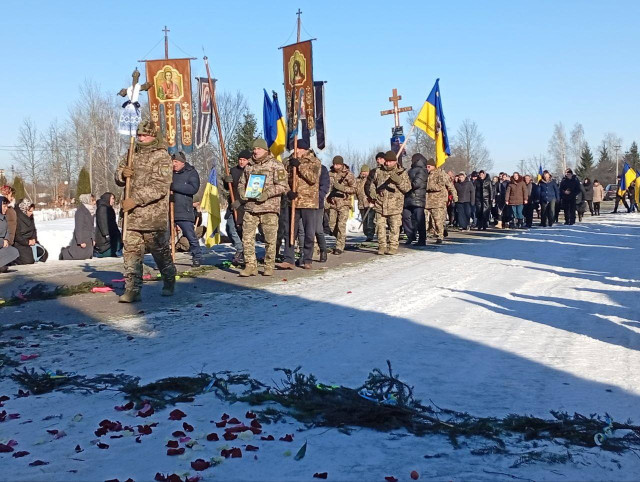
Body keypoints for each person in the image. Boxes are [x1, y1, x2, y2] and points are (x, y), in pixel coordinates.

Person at [115, 119, 176, 302]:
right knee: (131, 254)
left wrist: (136, 200)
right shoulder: (131, 153)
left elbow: (160, 186)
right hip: (131, 216)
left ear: (153, 136)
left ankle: (169, 278)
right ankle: (132, 289)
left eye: (144, 135)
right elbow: (118, 174)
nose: (141, 138)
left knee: (160, 253)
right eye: (139, 135)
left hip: (152, 217)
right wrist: (122, 174)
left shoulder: (161, 156)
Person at [238, 138, 288, 276]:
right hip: (251, 207)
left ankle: (269, 265)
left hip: (269, 208)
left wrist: (267, 194)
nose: (256, 151)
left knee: (270, 239)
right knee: (247, 238)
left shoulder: (276, 165)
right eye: (254, 149)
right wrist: (242, 192)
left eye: (258, 149)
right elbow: (242, 183)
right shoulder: (249, 166)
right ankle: (250, 265)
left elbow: (283, 186)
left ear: (265, 150)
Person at [278, 138, 321, 269]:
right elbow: (283, 179)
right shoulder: (288, 161)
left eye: (299, 149)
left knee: (309, 232)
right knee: (290, 231)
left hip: (308, 202)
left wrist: (300, 166)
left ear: (305, 150)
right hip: (293, 202)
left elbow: (313, 179)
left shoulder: (314, 161)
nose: (296, 151)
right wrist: (288, 192)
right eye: (295, 148)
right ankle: (288, 259)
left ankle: (307, 259)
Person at [367, 151, 411, 255]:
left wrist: (398, 181)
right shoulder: (378, 171)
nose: (387, 163)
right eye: (386, 161)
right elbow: (372, 184)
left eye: (390, 161)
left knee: (394, 227)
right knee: (379, 226)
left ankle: (393, 246)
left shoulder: (402, 172)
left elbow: (407, 188)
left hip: (395, 205)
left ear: (395, 161)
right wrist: (372, 193)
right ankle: (382, 246)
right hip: (380, 204)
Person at [171, 151, 202, 267]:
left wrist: (174, 186)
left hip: (184, 209)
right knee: (164, 237)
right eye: (172, 162)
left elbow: (193, 188)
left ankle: (197, 256)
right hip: (168, 209)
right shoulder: (168, 173)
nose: (174, 164)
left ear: (182, 162)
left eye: (176, 162)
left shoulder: (191, 172)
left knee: (190, 235)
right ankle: (166, 260)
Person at [223, 150, 250, 267]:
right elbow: (228, 187)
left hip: (245, 206)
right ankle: (240, 248)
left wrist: (241, 201)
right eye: (240, 159)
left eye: (244, 160)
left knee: (243, 231)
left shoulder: (251, 171)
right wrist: (226, 181)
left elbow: (253, 191)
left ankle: (245, 253)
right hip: (233, 205)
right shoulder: (233, 171)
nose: (241, 162)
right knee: (230, 228)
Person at [326, 156, 356, 255]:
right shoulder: (330, 174)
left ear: (342, 164)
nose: (336, 166)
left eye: (338, 164)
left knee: (341, 225)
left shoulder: (348, 175)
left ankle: (339, 246)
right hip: (332, 203)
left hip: (344, 203)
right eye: (334, 164)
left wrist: (342, 188)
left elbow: (354, 189)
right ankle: (341, 238)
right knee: (332, 225)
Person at [425, 157, 457, 244]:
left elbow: (448, 185)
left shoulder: (441, 174)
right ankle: (428, 232)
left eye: (429, 166)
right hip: (428, 201)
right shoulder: (426, 174)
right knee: (427, 220)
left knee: (438, 219)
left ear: (433, 166)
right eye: (426, 166)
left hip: (438, 201)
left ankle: (440, 235)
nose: (427, 168)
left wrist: (455, 196)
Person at [402, 153, 428, 245]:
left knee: (419, 220)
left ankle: (422, 239)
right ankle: (411, 235)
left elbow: (417, 184)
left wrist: (405, 184)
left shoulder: (422, 170)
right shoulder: (410, 170)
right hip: (408, 198)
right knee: (406, 217)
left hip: (418, 198)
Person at [60, 194, 95, 260]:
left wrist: (93, 238)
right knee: (77, 256)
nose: (94, 202)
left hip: (88, 238)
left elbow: (92, 227)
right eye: (92, 200)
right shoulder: (80, 211)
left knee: (86, 256)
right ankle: (64, 253)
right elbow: (78, 227)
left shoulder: (91, 211)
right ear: (86, 200)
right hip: (82, 237)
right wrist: (80, 241)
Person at [94, 192, 122, 258]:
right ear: (107, 198)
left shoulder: (108, 208)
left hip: (112, 234)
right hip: (105, 236)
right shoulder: (103, 208)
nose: (113, 201)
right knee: (107, 250)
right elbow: (102, 222)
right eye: (112, 198)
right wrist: (106, 234)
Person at [14, 199, 39, 264]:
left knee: (43, 254)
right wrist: (27, 242)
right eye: (29, 211)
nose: (31, 213)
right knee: (29, 260)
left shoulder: (31, 217)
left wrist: (34, 239)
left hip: (30, 240)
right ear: (24, 209)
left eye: (32, 211)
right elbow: (17, 235)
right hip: (20, 243)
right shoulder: (17, 217)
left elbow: (34, 229)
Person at [355, 165, 375, 241]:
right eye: (363, 172)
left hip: (369, 203)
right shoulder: (357, 181)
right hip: (361, 204)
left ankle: (370, 235)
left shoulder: (371, 179)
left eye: (366, 172)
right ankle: (366, 233)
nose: (364, 173)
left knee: (370, 220)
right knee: (364, 220)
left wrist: (373, 199)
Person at [0, 197, 19, 272]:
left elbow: (8, 230)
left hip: (2, 245)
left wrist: (7, 239)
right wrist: (2, 242)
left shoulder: (4, 217)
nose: (6, 208)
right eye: (4, 206)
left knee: (14, 251)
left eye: (7, 206)